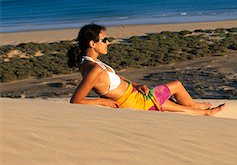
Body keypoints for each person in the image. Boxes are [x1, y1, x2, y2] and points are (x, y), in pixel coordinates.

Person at [68, 24, 224, 116]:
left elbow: (116, 77)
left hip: (136, 94)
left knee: (173, 97)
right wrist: (103, 102)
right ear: (92, 44)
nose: (108, 43)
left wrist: (136, 85)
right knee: (175, 89)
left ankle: (197, 107)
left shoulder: (90, 62)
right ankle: (202, 111)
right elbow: (76, 101)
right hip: (136, 103)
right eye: (104, 40)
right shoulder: (93, 69)